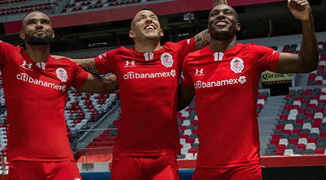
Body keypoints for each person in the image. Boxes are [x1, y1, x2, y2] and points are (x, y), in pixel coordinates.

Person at [0, 0, 117, 179]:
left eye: (44, 22)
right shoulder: (10, 57)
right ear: (22, 35)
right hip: (24, 163)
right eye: (32, 23)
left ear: (53, 33)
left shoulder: (66, 67)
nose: (39, 24)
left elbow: (107, 86)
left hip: (62, 163)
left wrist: (136, 68)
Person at [69, 1, 227, 179]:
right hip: (127, 157)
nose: (148, 19)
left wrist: (219, 9)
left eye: (153, 18)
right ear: (132, 33)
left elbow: (209, 34)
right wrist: (48, 61)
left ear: (161, 31)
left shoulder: (175, 51)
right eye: (141, 18)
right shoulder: (119, 57)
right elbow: (81, 64)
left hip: (164, 157)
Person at [179, 0, 318, 179]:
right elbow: (179, 102)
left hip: (244, 167)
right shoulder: (191, 61)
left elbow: (306, 63)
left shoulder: (253, 54)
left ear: (238, 26)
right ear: (207, 28)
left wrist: (307, 21)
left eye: (228, 14)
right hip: (206, 167)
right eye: (215, 14)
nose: (221, 15)